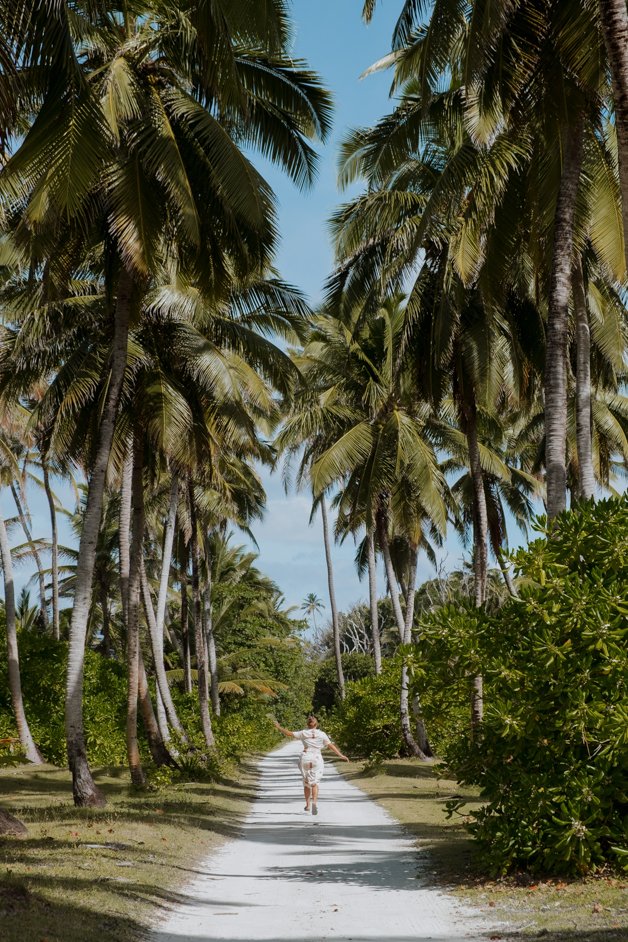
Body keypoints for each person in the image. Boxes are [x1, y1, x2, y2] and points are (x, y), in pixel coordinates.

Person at [272, 713, 349, 815]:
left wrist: (278, 727)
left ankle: (308, 805)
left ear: (307, 724)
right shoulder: (322, 734)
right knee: (314, 783)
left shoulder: (303, 733)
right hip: (317, 758)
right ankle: (314, 803)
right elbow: (330, 745)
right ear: (316, 724)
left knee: (306, 783)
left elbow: (288, 733)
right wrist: (340, 755)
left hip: (305, 757)